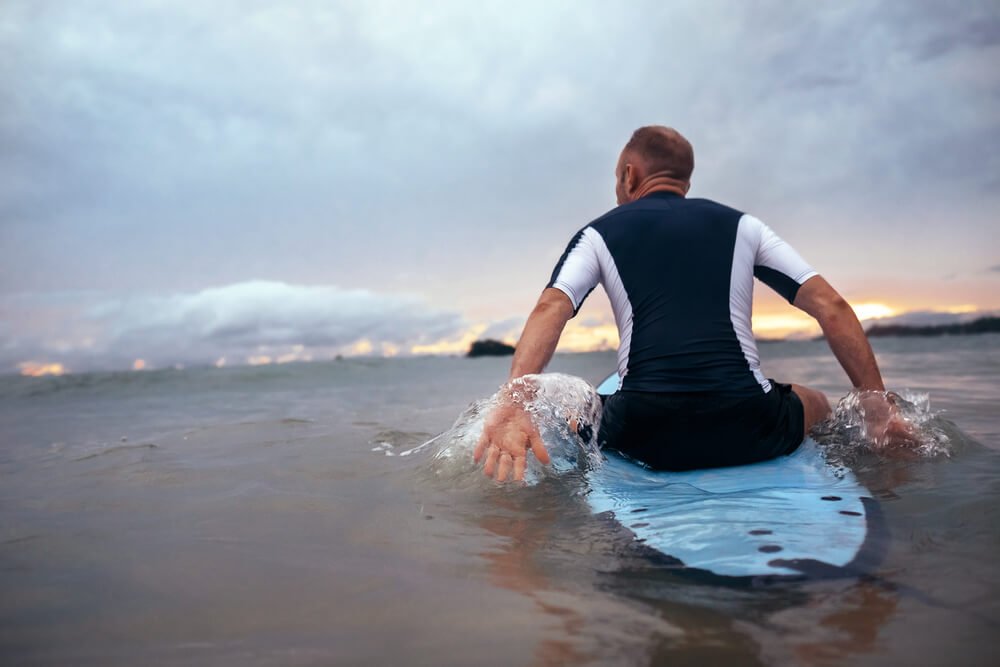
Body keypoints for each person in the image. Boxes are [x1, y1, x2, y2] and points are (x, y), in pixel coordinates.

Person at [475, 125, 907, 482]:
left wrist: (516, 396)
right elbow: (830, 306)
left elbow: (552, 306)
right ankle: (874, 447)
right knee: (817, 402)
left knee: (572, 411)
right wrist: (876, 402)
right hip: (753, 427)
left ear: (629, 175)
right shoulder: (745, 226)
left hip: (642, 435)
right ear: (686, 180)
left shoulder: (599, 233)